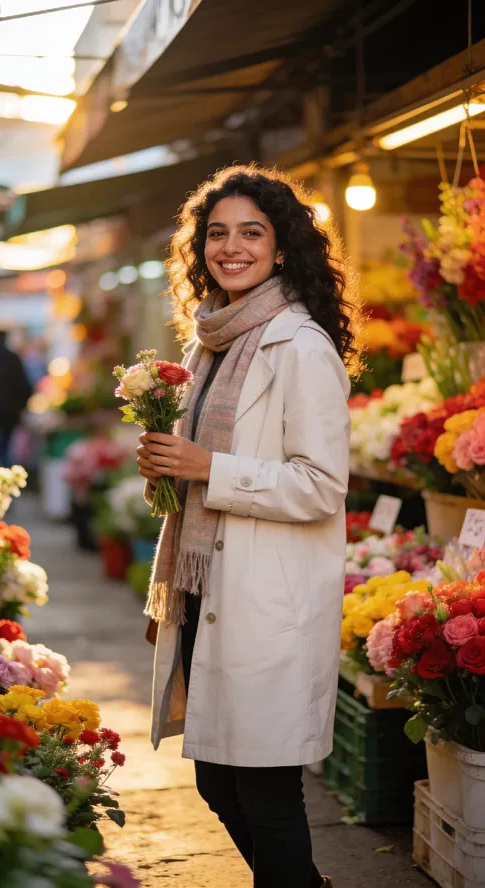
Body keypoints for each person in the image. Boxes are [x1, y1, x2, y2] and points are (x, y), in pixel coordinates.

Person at [136, 166, 357, 888]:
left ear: (283, 247)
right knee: (216, 785)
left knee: (264, 792)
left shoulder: (301, 347)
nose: (231, 247)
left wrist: (209, 467)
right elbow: (202, 475)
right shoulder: (210, 345)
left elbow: (321, 486)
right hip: (208, 588)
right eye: (217, 234)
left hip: (267, 599)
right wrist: (170, 471)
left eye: (251, 233)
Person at [0, 329, 32, 467]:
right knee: (5, 446)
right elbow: (25, 387)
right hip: (9, 414)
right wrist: (19, 407)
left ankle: (0, 473)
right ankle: (3, 474)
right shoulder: (13, 358)